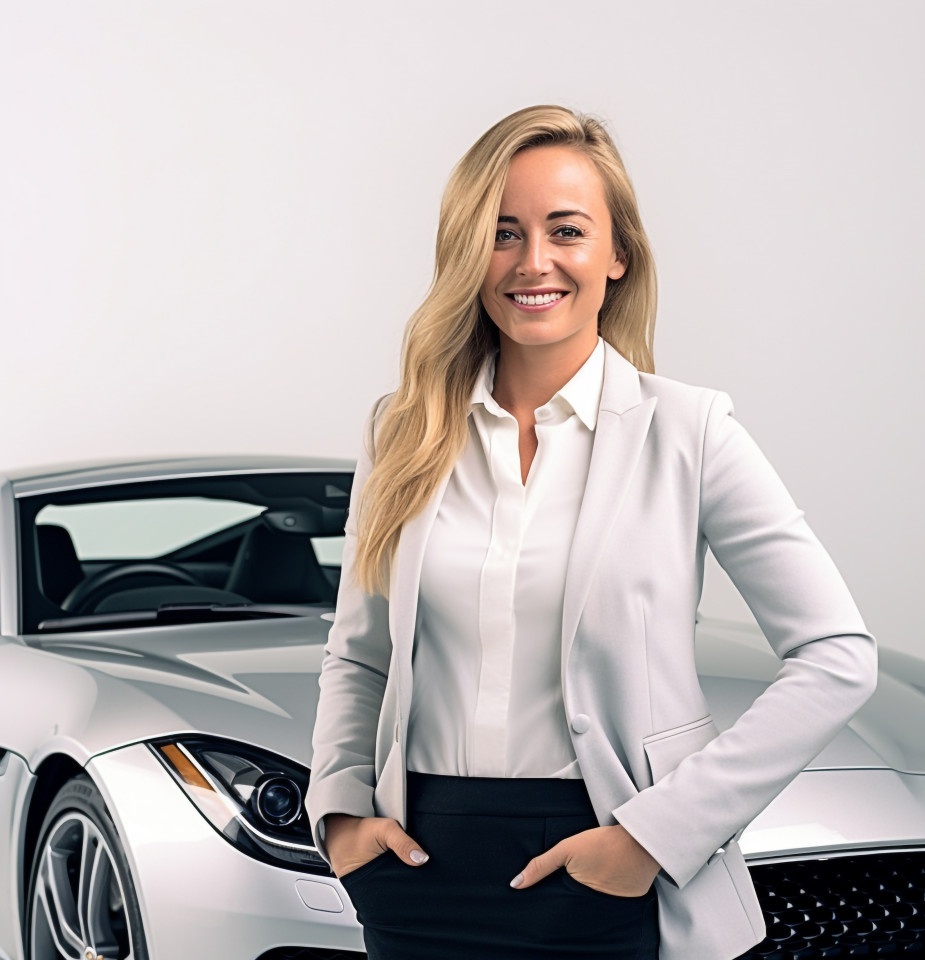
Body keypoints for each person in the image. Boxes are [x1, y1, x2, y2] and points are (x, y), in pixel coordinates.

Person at [305, 104, 878, 960]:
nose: (533, 262)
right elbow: (360, 654)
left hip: (606, 863)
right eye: (502, 234)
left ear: (618, 255)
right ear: (467, 255)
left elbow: (837, 656)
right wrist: (342, 816)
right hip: (419, 870)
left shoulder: (691, 430)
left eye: (565, 230)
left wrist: (654, 837)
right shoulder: (403, 431)